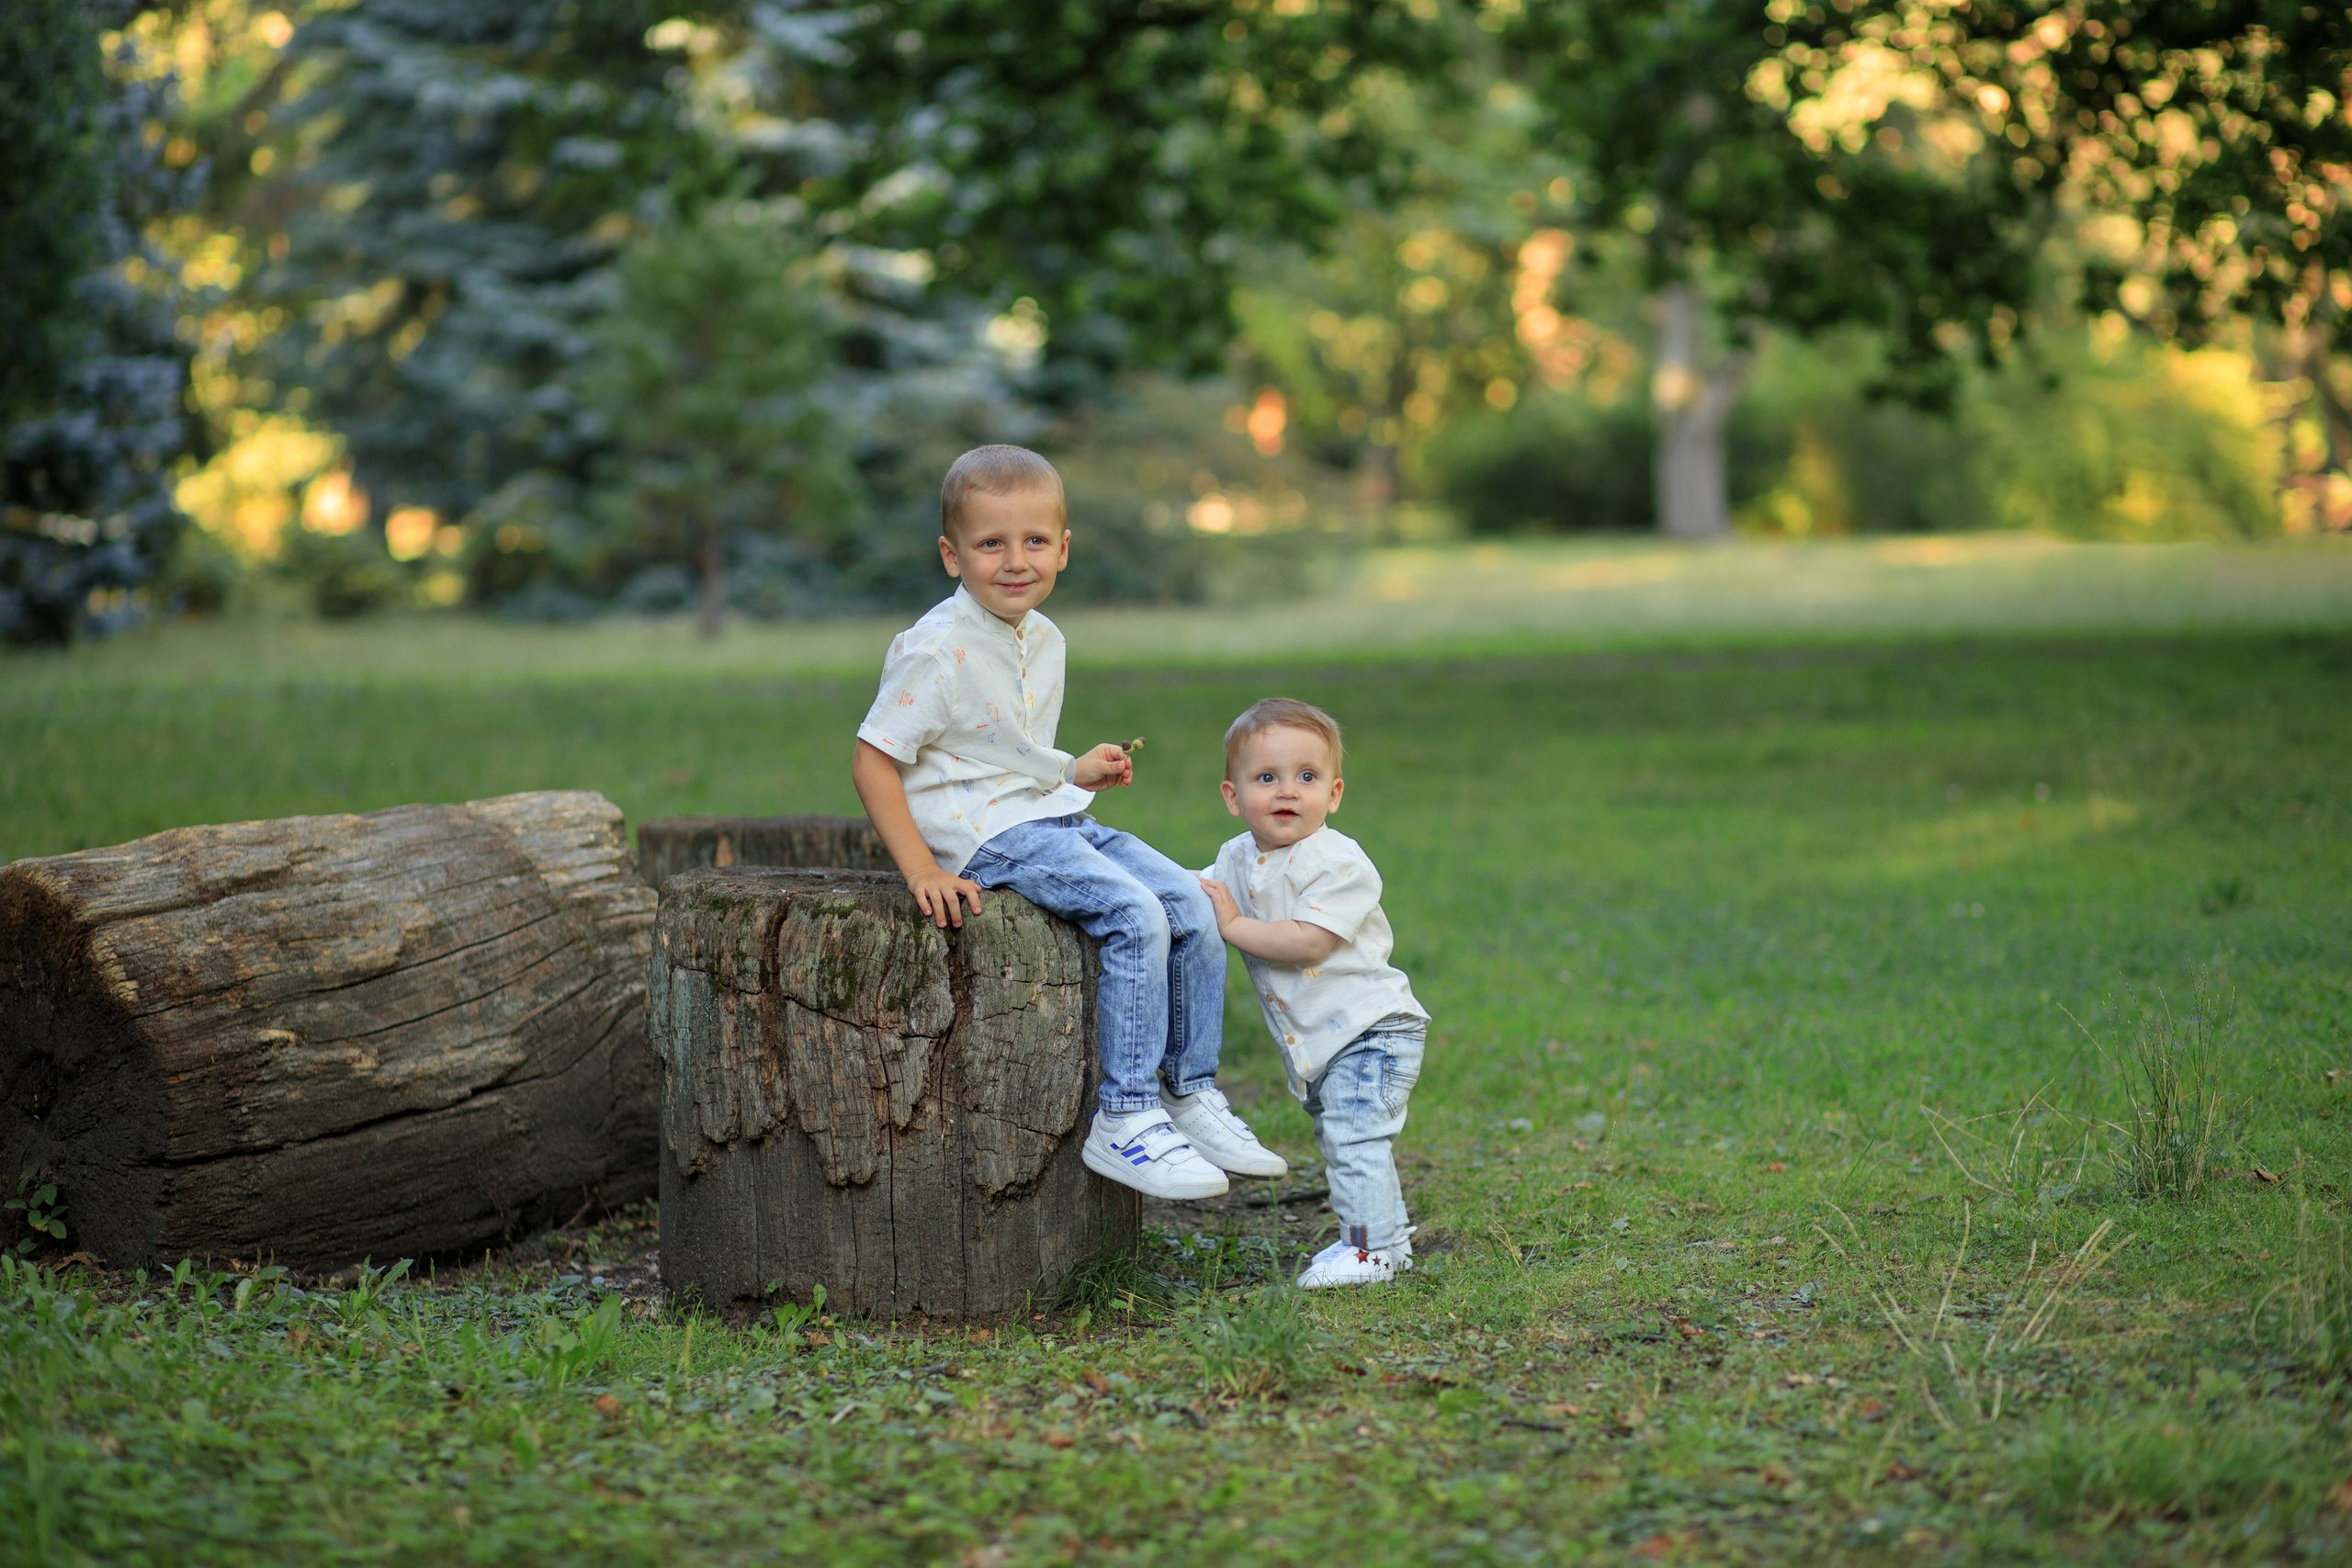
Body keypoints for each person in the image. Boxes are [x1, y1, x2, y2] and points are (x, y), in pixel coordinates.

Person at [850, 444, 1287, 1201]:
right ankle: (1125, 1118)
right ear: (952, 555)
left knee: (1195, 905)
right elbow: (872, 757)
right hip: (983, 835)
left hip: (1047, 813)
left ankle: (1188, 1092)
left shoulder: (1043, 636)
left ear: (1063, 548)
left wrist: (1071, 769)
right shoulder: (936, 649)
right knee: (1134, 914)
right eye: (991, 543)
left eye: (1034, 541)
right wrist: (921, 866)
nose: (1015, 561)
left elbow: (999, 747)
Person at [1199, 698, 1430, 1288]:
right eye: (1267, 777)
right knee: (1344, 1136)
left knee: (1355, 1137)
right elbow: (1198, 892)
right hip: (1324, 1041)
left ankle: (1372, 1251)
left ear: (1334, 794)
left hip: (1369, 1030)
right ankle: (1387, 1238)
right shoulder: (1236, 856)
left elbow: (1308, 942)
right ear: (1233, 796)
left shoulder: (1339, 862)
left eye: (1307, 777)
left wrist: (1232, 927)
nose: (1287, 791)